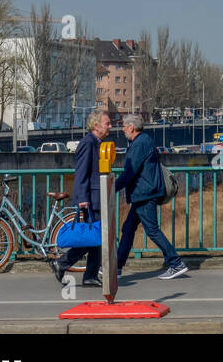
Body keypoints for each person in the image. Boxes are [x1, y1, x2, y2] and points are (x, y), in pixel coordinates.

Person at [115, 114, 188, 280]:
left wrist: (113, 188)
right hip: (144, 193)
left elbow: (130, 172)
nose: (123, 129)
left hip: (144, 194)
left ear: (131, 127)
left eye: (124, 126)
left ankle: (176, 263)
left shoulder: (138, 144)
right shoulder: (145, 140)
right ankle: (117, 267)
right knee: (128, 229)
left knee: (152, 230)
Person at [53, 107, 110, 288]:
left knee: (96, 237)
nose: (110, 127)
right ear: (95, 126)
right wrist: (82, 198)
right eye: (106, 123)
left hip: (97, 196)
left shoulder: (97, 143)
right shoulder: (88, 143)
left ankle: (90, 275)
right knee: (95, 236)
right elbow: (82, 172)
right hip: (91, 198)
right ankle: (63, 263)